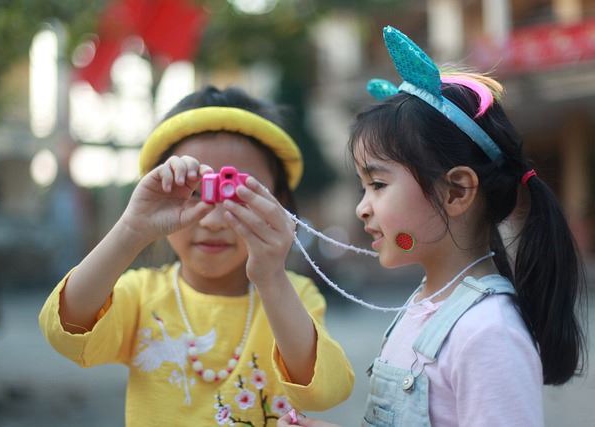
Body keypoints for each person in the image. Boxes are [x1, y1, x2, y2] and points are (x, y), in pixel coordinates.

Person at [279, 26, 586, 427]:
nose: (361, 209)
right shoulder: (428, 302)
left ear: (456, 192)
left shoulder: (488, 333)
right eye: (362, 187)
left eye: (378, 185)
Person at [39, 86, 354, 426]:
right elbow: (63, 331)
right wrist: (132, 229)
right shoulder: (142, 294)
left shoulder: (293, 296)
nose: (214, 220)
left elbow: (325, 392)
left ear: (279, 204)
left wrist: (271, 277)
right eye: (193, 193)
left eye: (237, 193)